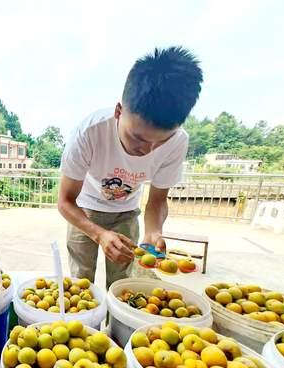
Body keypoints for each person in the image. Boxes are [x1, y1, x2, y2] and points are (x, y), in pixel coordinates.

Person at [58, 46, 203, 289]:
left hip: (126, 213)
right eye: (138, 138)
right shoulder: (89, 132)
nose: (147, 151)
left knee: (125, 285)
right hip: (84, 210)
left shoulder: (178, 141)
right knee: (80, 284)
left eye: (161, 141)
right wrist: (98, 233)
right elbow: (65, 201)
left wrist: (154, 231)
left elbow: (157, 201)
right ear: (119, 111)